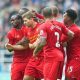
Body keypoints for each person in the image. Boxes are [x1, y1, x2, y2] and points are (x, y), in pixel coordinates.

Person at [32, 7, 74, 80]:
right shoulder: (60, 25)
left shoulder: (44, 26)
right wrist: (62, 41)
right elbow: (71, 34)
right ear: (52, 14)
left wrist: (35, 52)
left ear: (43, 15)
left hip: (51, 56)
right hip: (60, 55)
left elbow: (42, 42)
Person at [5, 14, 32, 80]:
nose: (12, 22)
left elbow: (26, 45)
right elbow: (10, 50)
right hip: (17, 62)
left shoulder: (27, 29)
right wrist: (20, 42)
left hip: (29, 61)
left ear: (20, 20)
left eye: (13, 20)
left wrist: (12, 46)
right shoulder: (10, 33)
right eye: (11, 21)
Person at [21, 11, 44, 80]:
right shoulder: (26, 30)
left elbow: (35, 45)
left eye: (25, 21)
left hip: (43, 58)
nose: (24, 23)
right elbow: (25, 42)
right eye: (23, 21)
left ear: (31, 19)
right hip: (33, 58)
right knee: (26, 78)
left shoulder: (41, 27)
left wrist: (30, 45)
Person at [62, 9, 80, 80]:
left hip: (76, 58)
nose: (63, 16)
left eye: (64, 14)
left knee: (68, 78)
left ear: (68, 18)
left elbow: (61, 40)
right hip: (70, 58)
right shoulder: (68, 28)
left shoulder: (74, 30)